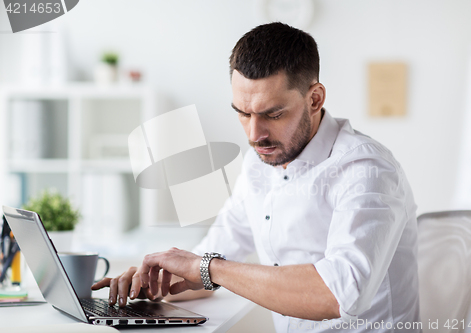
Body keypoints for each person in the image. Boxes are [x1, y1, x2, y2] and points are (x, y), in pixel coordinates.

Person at [92, 22, 420, 332]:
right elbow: (211, 262)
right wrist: (155, 283)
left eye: (273, 114)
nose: (254, 134)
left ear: (315, 98)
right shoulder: (258, 163)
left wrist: (207, 269)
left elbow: (339, 294)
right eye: (242, 113)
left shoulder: (366, 169)